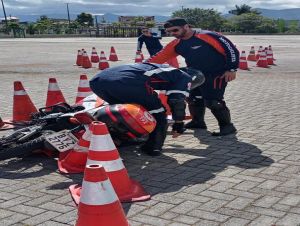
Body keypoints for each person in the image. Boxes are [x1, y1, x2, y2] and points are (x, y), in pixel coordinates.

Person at [148, 18, 239, 136]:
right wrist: (140, 68)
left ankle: (227, 127)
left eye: (175, 30)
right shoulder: (176, 44)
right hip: (194, 74)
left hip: (216, 74)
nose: (172, 34)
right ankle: (198, 122)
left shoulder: (208, 35)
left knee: (213, 101)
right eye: (169, 32)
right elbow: (158, 58)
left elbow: (231, 50)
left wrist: (231, 69)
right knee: (193, 99)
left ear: (186, 27)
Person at [89, 63, 204, 156]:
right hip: (129, 83)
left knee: (123, 113)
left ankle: (116, 138)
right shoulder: (184, 77)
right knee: (159, 114)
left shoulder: (165, 69)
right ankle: (153, 148)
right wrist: (178, 123)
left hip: (98, 81)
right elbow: (176, 101)